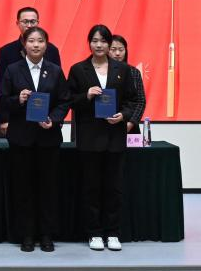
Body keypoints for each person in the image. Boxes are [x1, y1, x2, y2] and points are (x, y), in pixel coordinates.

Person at [0, 25, 70, 253]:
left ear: (46, 45)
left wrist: (54, 119)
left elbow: (64, 101)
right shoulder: (12, 70)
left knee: (48, 187)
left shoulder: (55, 70)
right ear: (24, 44)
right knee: (23, 188)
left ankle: (46, 234)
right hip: (21, 138)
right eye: (31, 41)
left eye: (40, 41)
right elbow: (1, 100)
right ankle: (26, 234)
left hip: (48, 138)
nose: (36, 45)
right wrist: (17, 99)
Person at [68, 24, 138, 253]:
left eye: (103, 41)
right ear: (89, 43)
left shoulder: (123, 69)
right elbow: (69, 100)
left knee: (114, 188)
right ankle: (94, 233)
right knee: (92, 188)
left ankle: (113, 233)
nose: (99, 45)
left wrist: (123, 116)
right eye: (94, 41)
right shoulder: (78, 69)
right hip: (90, 138)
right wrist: (86, 95)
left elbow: (132, 100)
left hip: (114, 136)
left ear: (109, 44)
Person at [0, 6, 60, 138]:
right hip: (17, 119)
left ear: (38, 23)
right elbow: (0, 88)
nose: (29, 25)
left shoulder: (52, 50)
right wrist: (4, 119)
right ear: (17, 23)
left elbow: (59, 88)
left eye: (33, 21)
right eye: (25, 22)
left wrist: (57, 119)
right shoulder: (6, 51)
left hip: (46, 119)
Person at [107, 35, 147, 133]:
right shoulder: (101, 72)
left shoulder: (133, 72)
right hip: (104, 124)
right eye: (113, 49)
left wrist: (131, 123)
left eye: (121, 50)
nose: (117, 53)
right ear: (107, 50)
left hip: (128, 124)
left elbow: (141, 101)